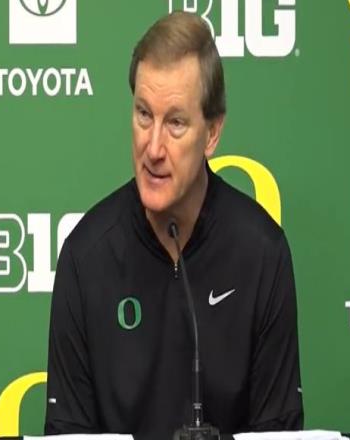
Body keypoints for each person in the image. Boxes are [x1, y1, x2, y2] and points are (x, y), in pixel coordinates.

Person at [45, 11, 303, 440]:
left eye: (176, 123)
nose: (153, 148)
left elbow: (277, 430)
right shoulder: (85, 256)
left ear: (212, 133)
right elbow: (68, 433)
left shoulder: (261, 252)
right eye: (144, 115)